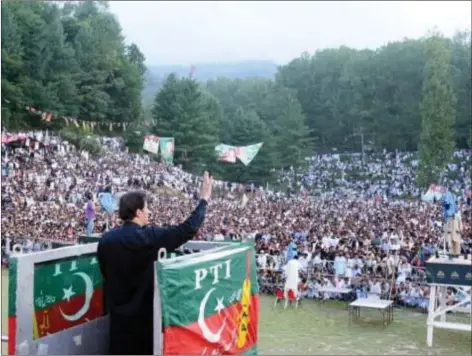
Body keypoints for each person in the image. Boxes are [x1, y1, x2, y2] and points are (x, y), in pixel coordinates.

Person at [97, 171, 213, 355]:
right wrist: (204, 200)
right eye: (147, 208)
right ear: (138, 212)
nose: (149, 212)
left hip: (118, 321)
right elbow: (188, 229)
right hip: (144, 322)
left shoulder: (105, 240)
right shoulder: (149, 237)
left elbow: (104, 271)